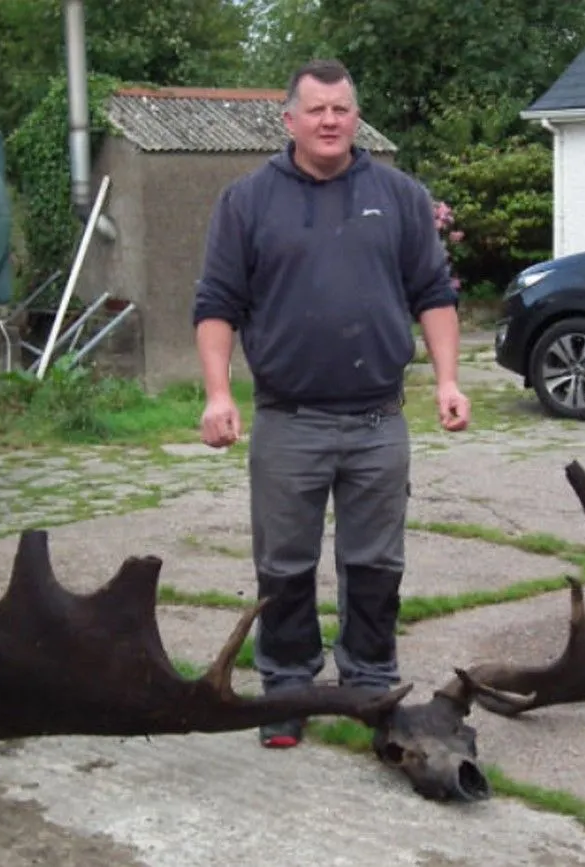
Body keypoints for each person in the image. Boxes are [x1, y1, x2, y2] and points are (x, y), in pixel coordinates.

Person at [191, 58, 470, 749]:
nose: (329, 121)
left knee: (375, 563)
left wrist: (447, 381)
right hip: (289, 421)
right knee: (283, 565)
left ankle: (372, 686)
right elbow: (216, 305)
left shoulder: (401, 196)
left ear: (356, 117)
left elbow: (433, 294)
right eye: (315, 109)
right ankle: (285, 691)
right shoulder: (248, 201)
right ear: (288, 120)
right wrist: (219, 392)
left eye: (341, 109)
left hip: (379, 419)